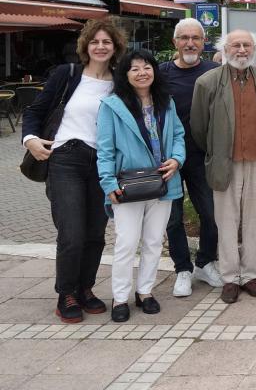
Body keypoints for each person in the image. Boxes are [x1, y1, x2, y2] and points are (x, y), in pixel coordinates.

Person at [22, 18, 126, 323]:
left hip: (103, 162)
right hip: (66, 158)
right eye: (95, 42)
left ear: (115, 46)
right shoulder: (66, 75)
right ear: (86, 46)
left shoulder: (120, 81)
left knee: (96, 233)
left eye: (107, 42)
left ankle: (85, 289)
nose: (101, 46)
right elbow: (35, 111)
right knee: (72, 232)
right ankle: (65, 293)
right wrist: (30, 140)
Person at [190, 29, 256, 304]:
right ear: (225, 48)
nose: (241, 50)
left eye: (247, 45)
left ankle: (250, 275)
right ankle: (230, 278)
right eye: (236, 45)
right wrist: (217, 150)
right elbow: (199, 128)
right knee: (226, 222)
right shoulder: (207, 83)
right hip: (224, 163)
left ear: (254, 49)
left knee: (255, 221)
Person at [96, 50, 185, 322]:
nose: (142, 72)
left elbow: (179, 135)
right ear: (125, 75)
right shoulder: (112, 106)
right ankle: (120, 297)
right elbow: (105, 149)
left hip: (163, 183)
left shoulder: (165, 102)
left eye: (147, 67)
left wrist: (176, 160)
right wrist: (108, 182)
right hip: (127, 186)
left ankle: (145, 291)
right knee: (126, 243)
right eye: (134, 69)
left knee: (154, 241)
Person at [159, 18, 223, 298]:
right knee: (172, 219)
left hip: (202, 155)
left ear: (203, 42)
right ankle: (182, 269)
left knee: (211, 213)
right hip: (168, 159)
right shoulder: (160, 74)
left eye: (195, 38)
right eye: (184, 38)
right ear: (175, 43)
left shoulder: (215, 71)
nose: (190, 43)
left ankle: (205, 262)